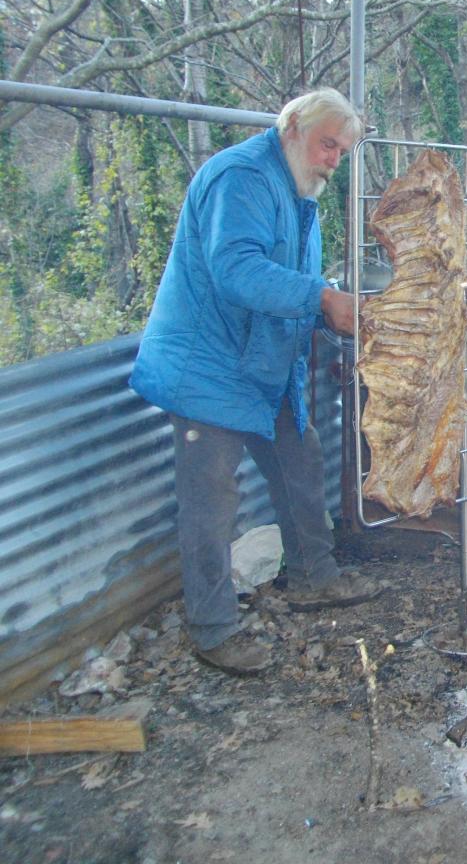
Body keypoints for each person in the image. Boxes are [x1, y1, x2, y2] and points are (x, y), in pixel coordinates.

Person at [130, 88, 380, 676]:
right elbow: (236, 270)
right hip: (210, 366)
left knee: (301, 460)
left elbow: (290, 276)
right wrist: (320, 298)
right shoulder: (240, 178)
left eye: (342, 152)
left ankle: (314, 577)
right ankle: (213, 629)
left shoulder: (297, 193)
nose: (333, 161)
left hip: (264, 365)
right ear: (292, 127)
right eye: (327, 145)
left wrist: (325, 314)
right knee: (211, 500)